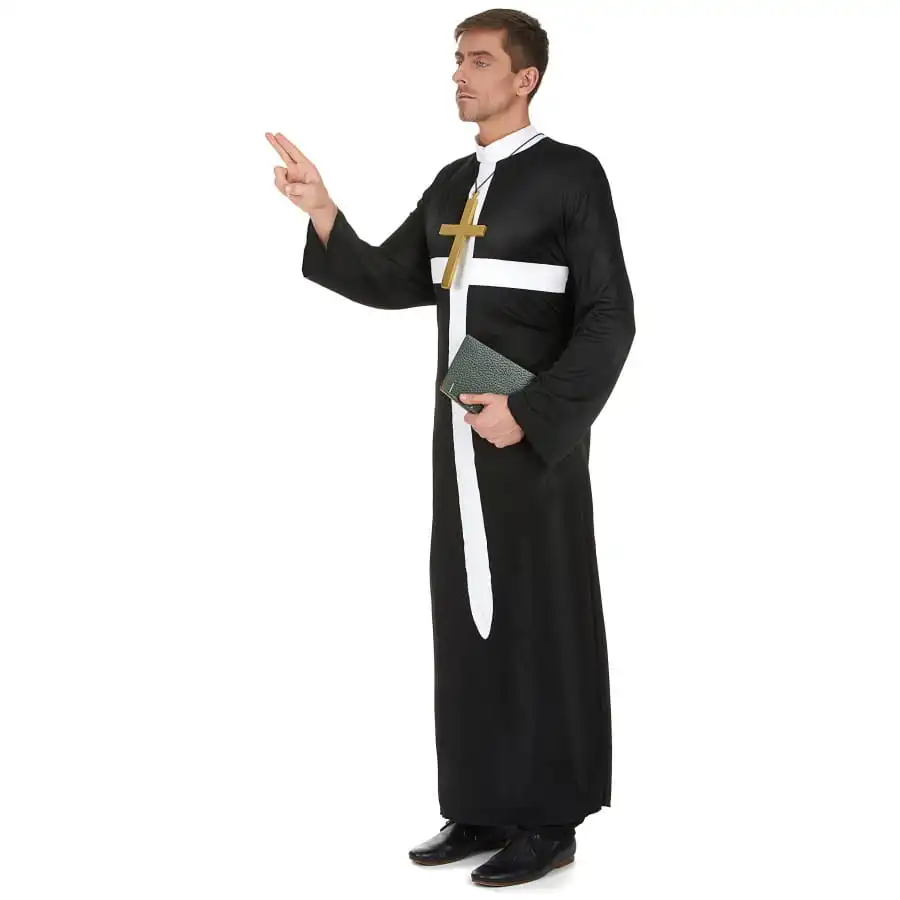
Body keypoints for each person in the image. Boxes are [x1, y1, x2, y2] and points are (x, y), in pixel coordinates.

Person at [266, 8, 635, 889]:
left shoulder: (572, 176)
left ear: (526, 78)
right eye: (457, 60)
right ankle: (479, 802)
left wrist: (532, 414)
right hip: (459, 441)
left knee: (539, 619)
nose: (460, 75)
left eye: (479, 61)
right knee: (463, 620)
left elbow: (609, 317)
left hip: (534, 447)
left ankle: (548, 819)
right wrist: (323, 210)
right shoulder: (452, 183)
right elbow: (391, 277)